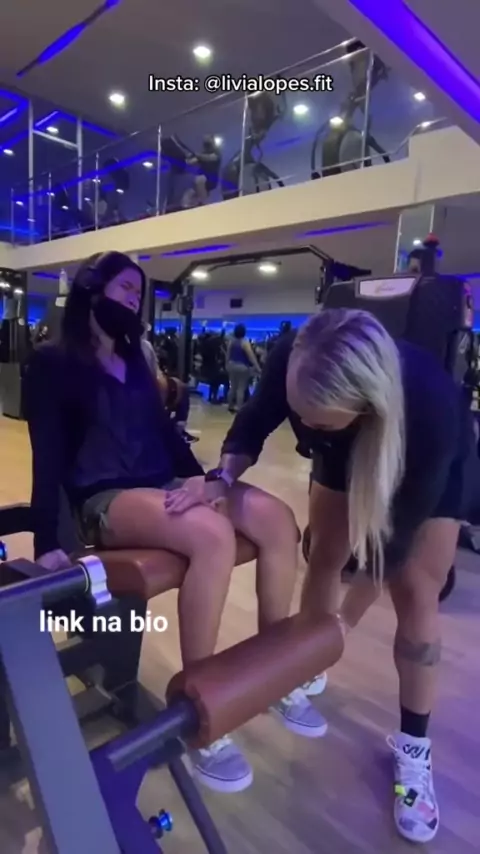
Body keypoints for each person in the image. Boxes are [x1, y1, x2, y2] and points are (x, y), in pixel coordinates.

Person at [22, 251, 325, 794]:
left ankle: (276, 670)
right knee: (211, 535)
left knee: (276, 519)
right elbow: (46, 453)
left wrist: (205, 481)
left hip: (161, 480)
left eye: (138, 293)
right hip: (104, 497)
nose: (133, 299)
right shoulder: (53, 362)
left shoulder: (135, 361)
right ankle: (200, 710)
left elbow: (163, 434)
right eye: (124, 288)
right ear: (91, 287)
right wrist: (47, 538)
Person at [184, 308, 475, 843]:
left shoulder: (428, 405)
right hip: (342, 450)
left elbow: (389, 548)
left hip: (431, 461)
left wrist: (342, 626)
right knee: (323, 554)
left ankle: (414, 750)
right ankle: (308, 662)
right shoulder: (296, 357)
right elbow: (255, 421)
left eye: (313, 422)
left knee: (416, 592)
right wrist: (221, 477)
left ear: (362, 403)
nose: (301, 426)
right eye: (300, 416)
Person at [226, 324, 261, 413]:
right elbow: (251, 356)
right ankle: (239, 408)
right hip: (242, 367)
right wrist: (257, 367)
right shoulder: (244, 343)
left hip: (232, 365)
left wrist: (227, 365)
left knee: (232, 387)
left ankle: (230, 406)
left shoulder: (231, 342)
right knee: (241, 388)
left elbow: (228, 355)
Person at [183, 135, 222, 207]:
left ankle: (204, 204)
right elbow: (191, 162)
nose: (207, 146)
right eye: (205, 144)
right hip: (199, 182)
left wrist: (198, 155)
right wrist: (186, 158)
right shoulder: (202, 154)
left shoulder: (216, 153)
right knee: (187, 196)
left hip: (210, 180)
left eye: (208, 143)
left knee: (200, 179)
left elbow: (210, 158)